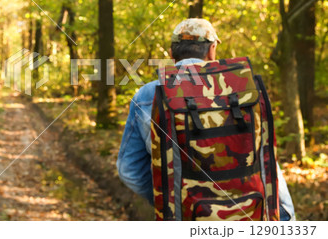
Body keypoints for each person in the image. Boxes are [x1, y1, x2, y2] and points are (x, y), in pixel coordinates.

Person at [117, 18, 295, 220]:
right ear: (212, 50)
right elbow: (267, 162)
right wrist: (287, 217)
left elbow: (128, 170)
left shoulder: (148, 95)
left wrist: (165, 200)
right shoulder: (243, 89)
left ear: (171, 52)